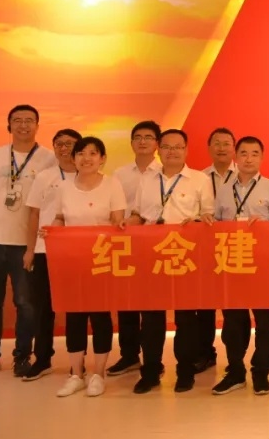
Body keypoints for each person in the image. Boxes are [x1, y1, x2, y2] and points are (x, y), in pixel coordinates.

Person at [0, 104, 56, 380]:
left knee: (26, 304)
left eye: (29, 120)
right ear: (9, 125)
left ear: (37, 125)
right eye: (17, 120)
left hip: (26, 245)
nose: (23, 125)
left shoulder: (49, 159)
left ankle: (22, 356)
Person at [130, 128, 215, 394]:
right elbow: (138, 214)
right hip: (151, 255)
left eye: (178, 147)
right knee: (151, 318)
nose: (172, 151)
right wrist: (125, 224)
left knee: (186, 318)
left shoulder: (200, 180)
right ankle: (151, 371)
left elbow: (208, 216)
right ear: (159, 149)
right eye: (166, 146)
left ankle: (185, 371)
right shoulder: (147, 180)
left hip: (184, 256)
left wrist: (198, 221)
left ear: (186, 150)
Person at [48, 136, 126, 397]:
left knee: (101, 317)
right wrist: (51, 232)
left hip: (102, 261)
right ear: (74, 158)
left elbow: (117, 221)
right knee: (75, 317)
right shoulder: (63, 187)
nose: (86, 158)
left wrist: (121, 227)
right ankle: (76, 374)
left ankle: (98, 374)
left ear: (102, 158)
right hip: (72, 262)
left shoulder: (112, 184)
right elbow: (60, 218)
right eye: (81, 153)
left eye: (93, 153)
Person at [211, 136, 269, 397]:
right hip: (231, 263)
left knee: (264, 320)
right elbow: (217, 226)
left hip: (261, 264)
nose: (248, 158)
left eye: (254, 153)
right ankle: (235, 371)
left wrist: (264, 227)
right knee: (233, 320)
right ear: (236, 156)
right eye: (243, 153)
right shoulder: (224, 189)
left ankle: (261, 372)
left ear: (262, 157)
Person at [21, 128, 82, 381]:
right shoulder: (45, 177)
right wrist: (29, 249)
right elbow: (34, 214)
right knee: (43, 308)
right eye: (59, 144)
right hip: (45, 250)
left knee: (77, 309)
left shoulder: (89, 176)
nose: (64, 148)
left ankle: (77, 362)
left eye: (70, 143)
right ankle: (43, 359)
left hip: (79, 253)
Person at [108, 119, 162, 378]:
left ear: (157, 144)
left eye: (148, 137)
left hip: (156, 245)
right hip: (125, 243)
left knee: (153, 305)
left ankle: (154, 360)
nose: (143, 141)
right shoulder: (119, 174)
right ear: (131, 143)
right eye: (138, 137)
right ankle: (129, 355)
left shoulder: (165, 172)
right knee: (126, 302)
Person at [196, 127, 236, 374]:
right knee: (204, 305)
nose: (222, 148)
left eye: (226, 143)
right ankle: (205, 353)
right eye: (217, 143)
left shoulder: (245, 176)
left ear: (234, 148)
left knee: (233, 308)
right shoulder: (198, 178)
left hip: (235, 250)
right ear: (209, 148)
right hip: (205, 251)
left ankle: (234, 358)